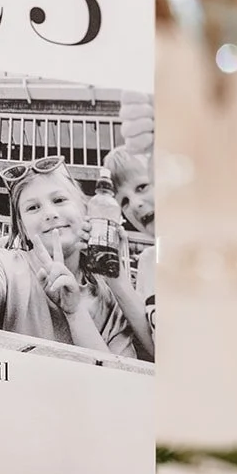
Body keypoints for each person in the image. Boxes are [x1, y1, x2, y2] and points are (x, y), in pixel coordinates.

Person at [0, 156, 153, 361]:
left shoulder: (110, 300)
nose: (50, 213)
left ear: (85, 209)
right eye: (33, 207)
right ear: (22, 226)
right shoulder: (6, 268)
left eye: (60, 200)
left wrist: (75, 312)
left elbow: (116, 383)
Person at [104, 140, 157, 343]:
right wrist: (114, 277)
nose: (135, 204)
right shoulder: (148, 261)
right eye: (123, 202)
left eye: (142, 187)